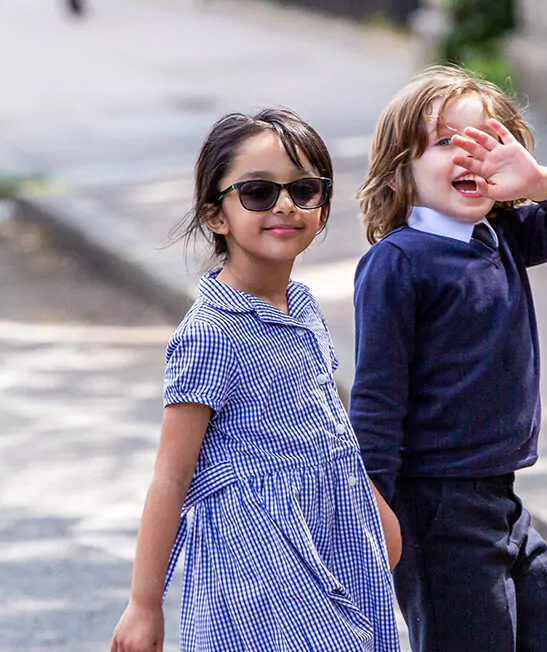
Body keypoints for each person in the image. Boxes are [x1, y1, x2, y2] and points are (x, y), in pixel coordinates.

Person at [110, 108, 401, 652]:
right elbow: (171, 478)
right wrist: (144, 605)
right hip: (253, 569)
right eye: (258, 192)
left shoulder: (301, 304)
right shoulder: (210, 333)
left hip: (330, 540)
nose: (285, 205)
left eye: (305, 190)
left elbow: (326, 424)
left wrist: (374, 511)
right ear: (215, 216)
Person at [350, 65, 547, 652]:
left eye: (485, 141)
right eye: (446, 142)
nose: (469, 155)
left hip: (500, 495)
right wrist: (377, 502)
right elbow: (377, 395)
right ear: (400, 174)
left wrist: (541, 182)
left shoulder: (504, 235)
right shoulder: (399, 263)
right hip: (438, 504)